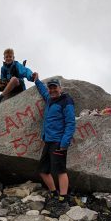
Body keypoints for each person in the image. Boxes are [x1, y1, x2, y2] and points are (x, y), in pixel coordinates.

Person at [32, 73, 76, 205]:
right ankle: (53, 192)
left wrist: (65, 142)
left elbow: (70, 123)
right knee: (43, 170)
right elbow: (43, 92)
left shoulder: (66, 101)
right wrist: (36, 80)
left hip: (59, 141)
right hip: (48, 140)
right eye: (50, 88)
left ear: (60, 88)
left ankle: (63, 197)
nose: (52, 90)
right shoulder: (50, 99)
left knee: (60, 170)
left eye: (54, 87)